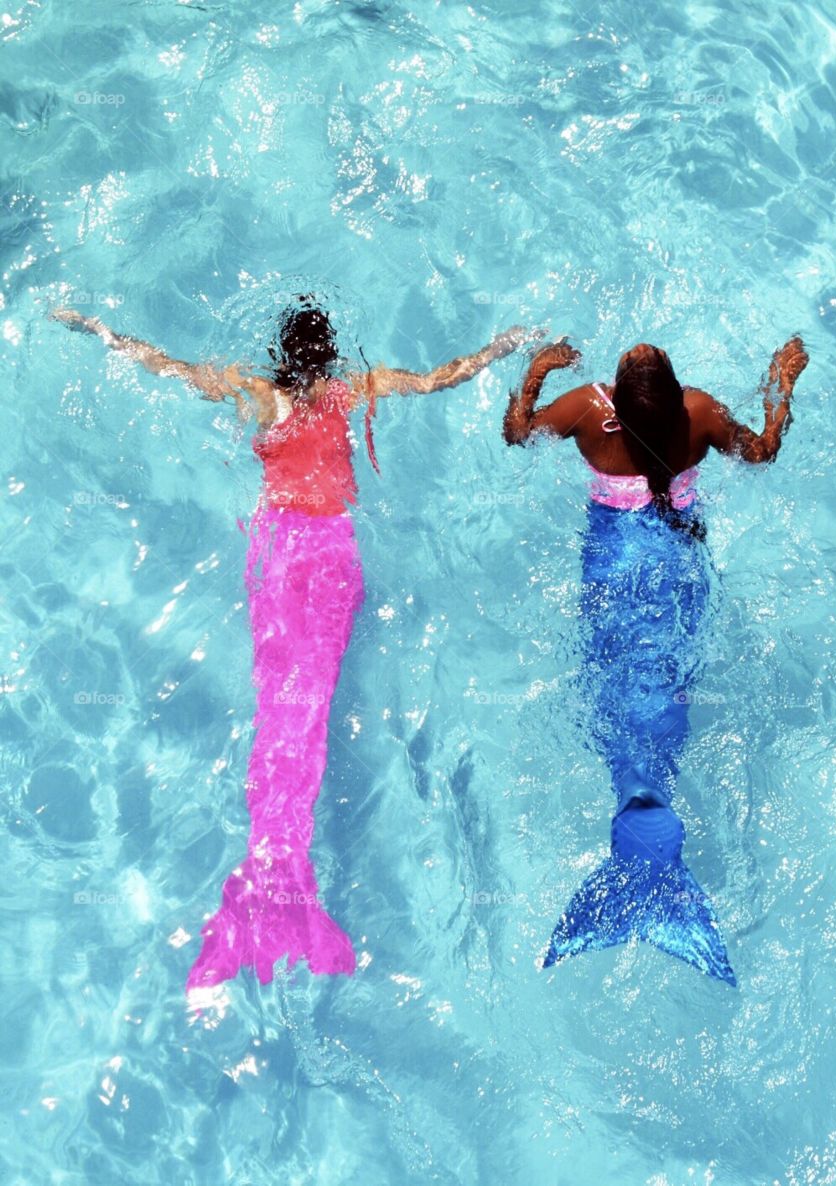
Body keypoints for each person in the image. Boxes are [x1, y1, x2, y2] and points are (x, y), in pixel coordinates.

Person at [51, 299, 530, 995]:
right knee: (306, 715)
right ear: (332, 355)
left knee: (282, 714)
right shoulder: (353, 390)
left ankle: (269, 879)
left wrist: (98, 330)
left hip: (278, 555)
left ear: (280, 353)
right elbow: (436, 379)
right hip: (334, 557)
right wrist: (500, 349)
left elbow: (165, 367)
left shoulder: (259, 396)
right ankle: (283, 885)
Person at [503, 335, 808, 985]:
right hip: (679, 569)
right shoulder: (697, 413)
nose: (644, 348)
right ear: (673, 399)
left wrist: (532, 374)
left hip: (612, 569)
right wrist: (780, 384)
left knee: (619, 690)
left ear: (613, 399)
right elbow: (763, 452)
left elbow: (517, 434)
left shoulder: (587, 411)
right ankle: (652, 868)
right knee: (668, 687)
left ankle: (642, 860)